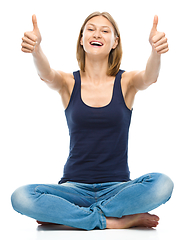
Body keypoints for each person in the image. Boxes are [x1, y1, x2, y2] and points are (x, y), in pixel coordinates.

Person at [11, 12, 174, 230]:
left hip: (117, 189)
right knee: (21, 196)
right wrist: (36, 50)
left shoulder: (126, 82)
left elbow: (149, 77)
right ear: (81, 38)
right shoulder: (68, 82)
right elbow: (47, 74)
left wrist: (156, 52)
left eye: (105, 30)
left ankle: (70, 217)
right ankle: (115, 221)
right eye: (91, 29)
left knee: (163, 184)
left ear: (115, 42)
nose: (97, 33)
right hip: (73, 189)